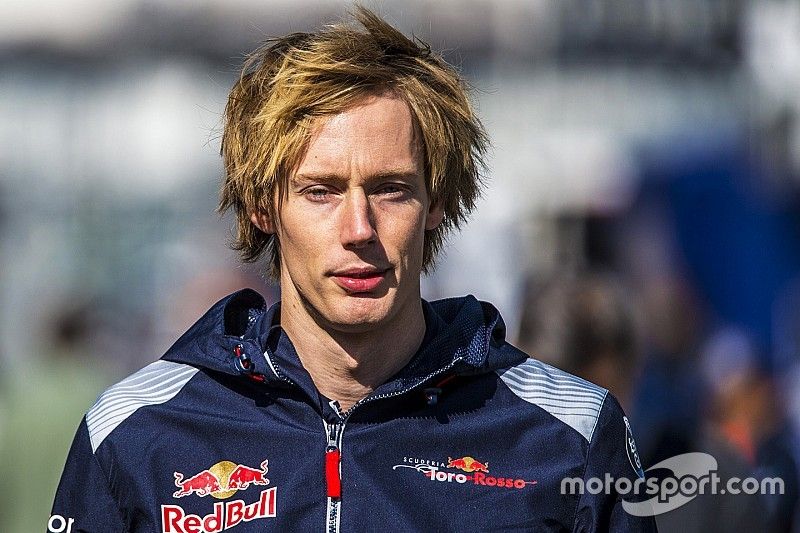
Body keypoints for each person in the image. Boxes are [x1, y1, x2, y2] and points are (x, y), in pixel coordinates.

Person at [50, 8, 656, 532]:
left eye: (391, 190)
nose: (359, 228)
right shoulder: (139, 434)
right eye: (322, 191)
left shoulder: (568, 435)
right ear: (264, 205)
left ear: (436, 201)